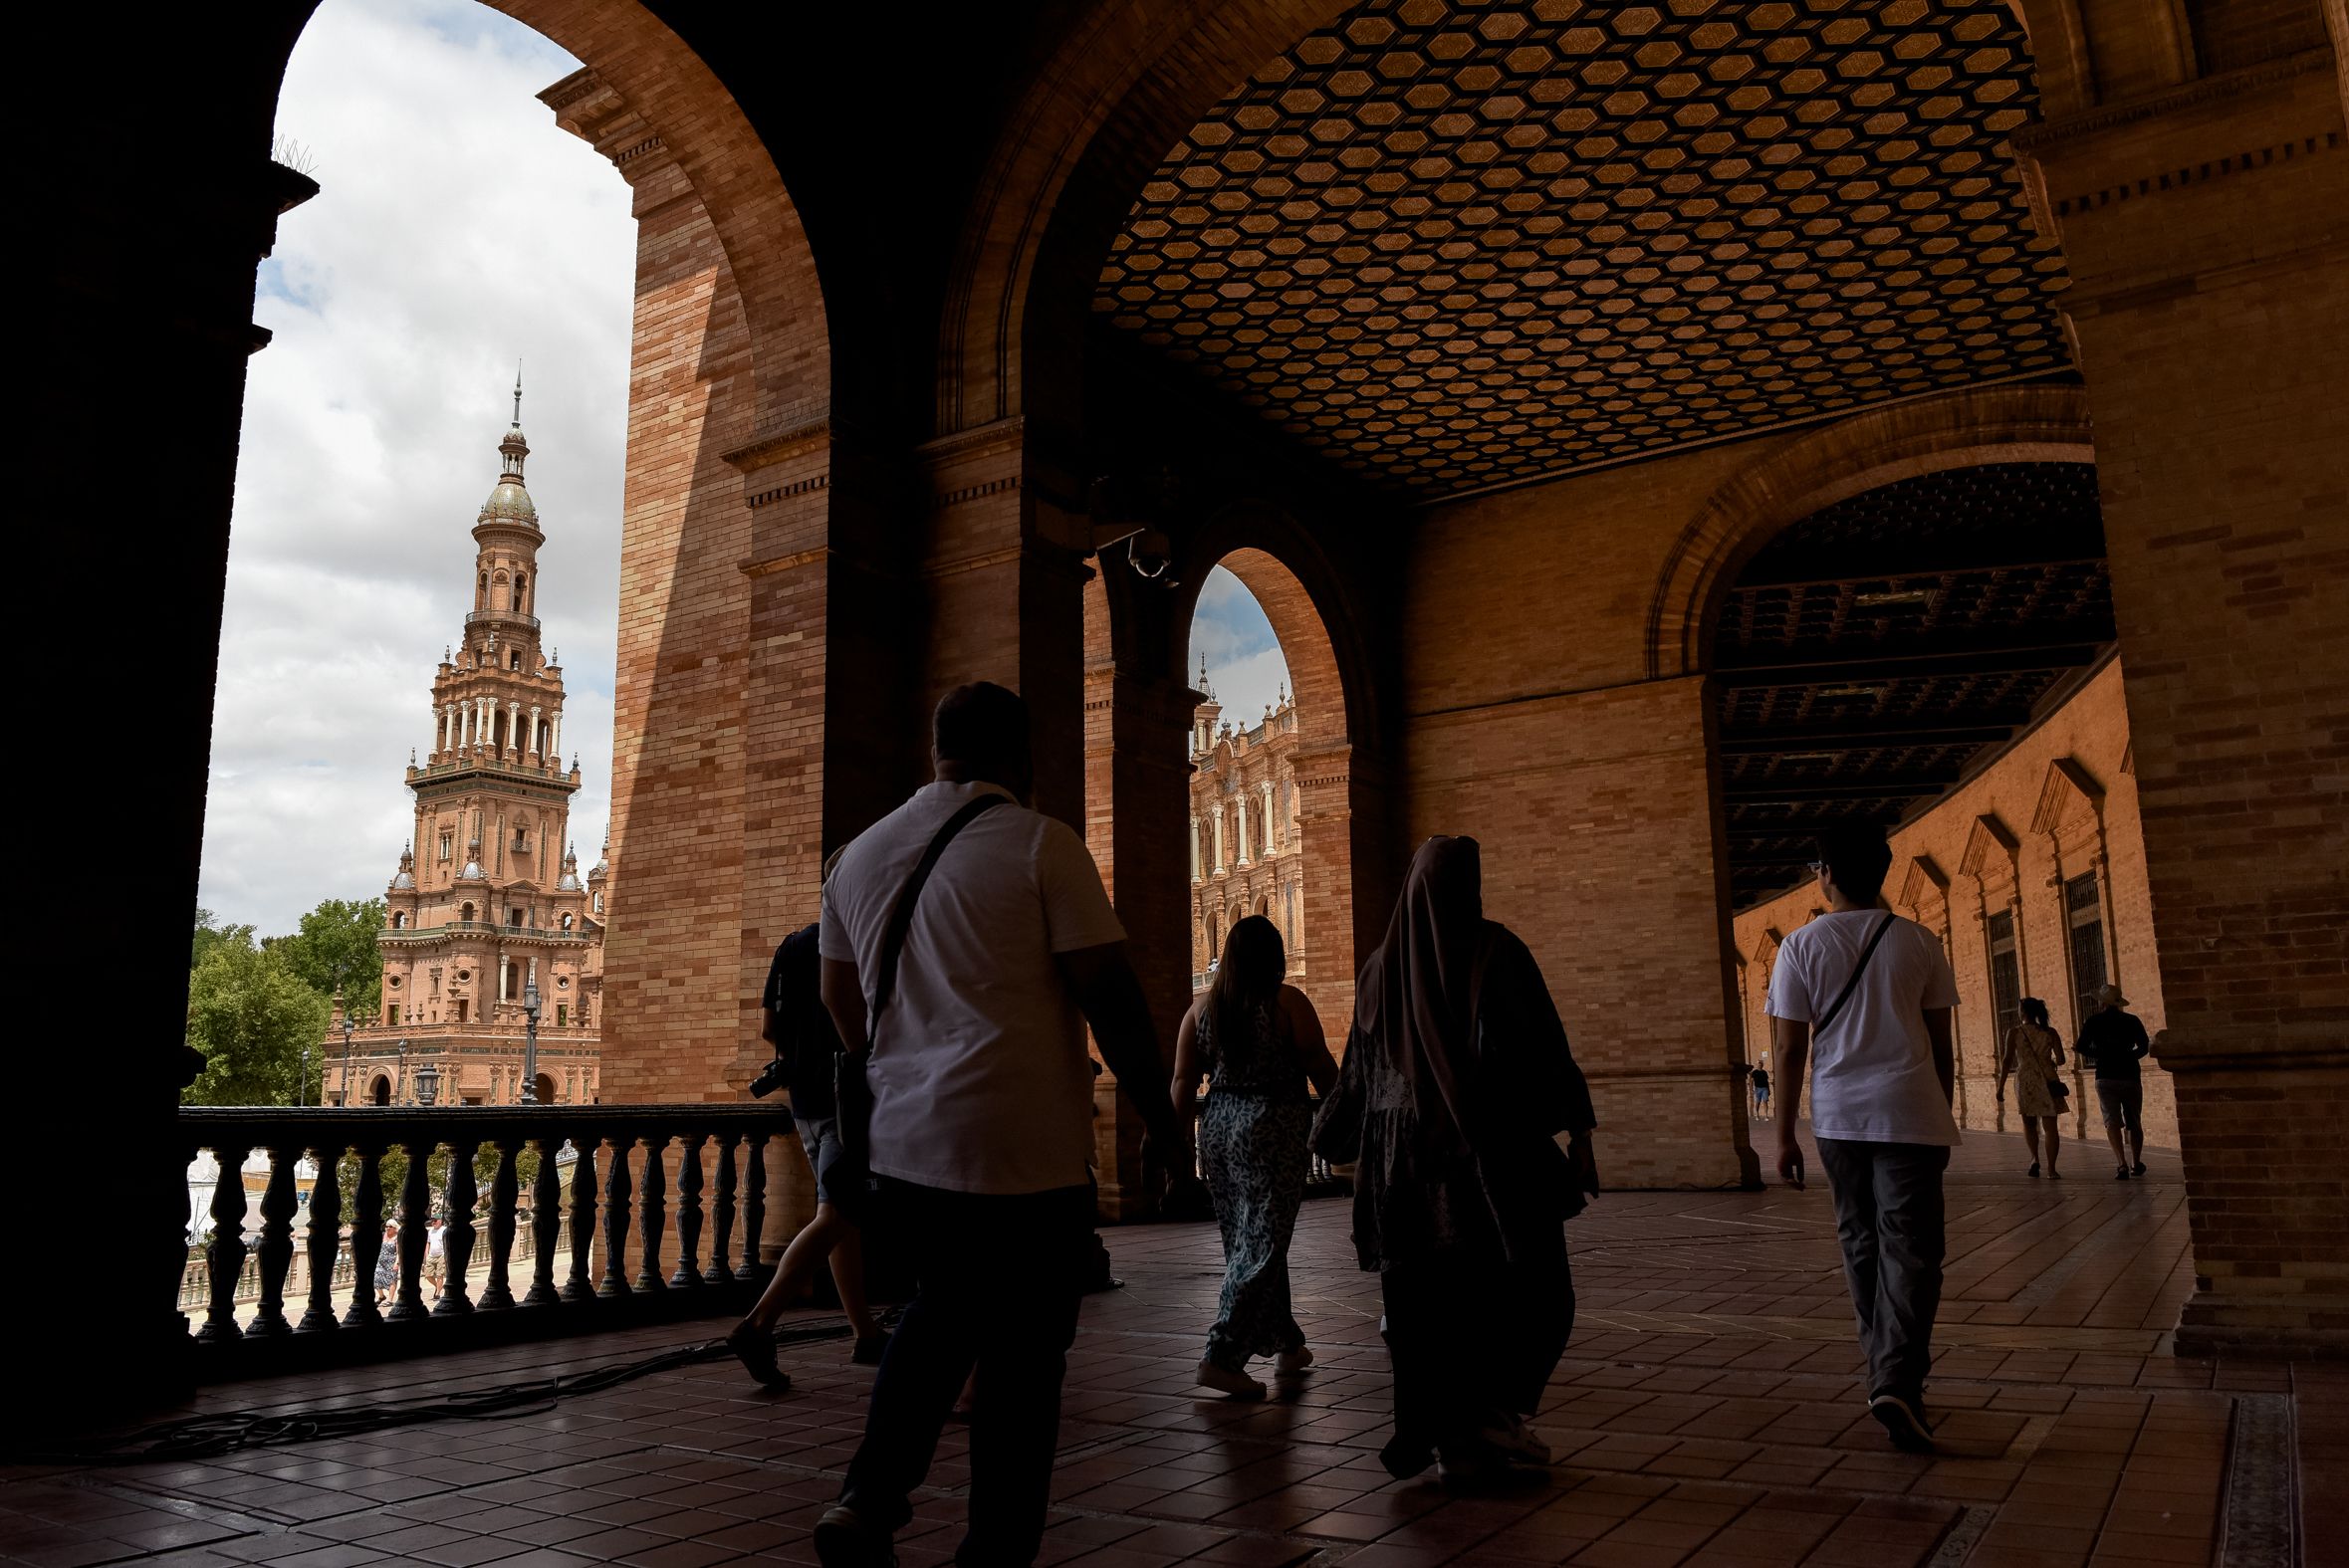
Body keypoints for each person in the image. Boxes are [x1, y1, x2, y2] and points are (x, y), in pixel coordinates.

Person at [810, 682, 1185, 1568]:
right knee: (1023, 1360)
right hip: (1026, 1153)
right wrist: (1163, 1124)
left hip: (905, 1150)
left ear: (936, 749)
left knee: (937, 1316)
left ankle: (867, 1498)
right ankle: (993, 1550)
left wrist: (910, 1057)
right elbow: (1113, 998)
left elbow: (839, 1001)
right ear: (1024, 757)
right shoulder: (1042, 845)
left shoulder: (856, 858)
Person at [1311, 836, 1597, 1489]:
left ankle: (1454, 1432)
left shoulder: (1382, 966)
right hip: (1488, 1160)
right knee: (1530, 1290)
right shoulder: (1498, 951)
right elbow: (1543, 1048)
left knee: (1427, 1307)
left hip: (1402, 1173)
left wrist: (1326, 1135)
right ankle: (1487, 1420)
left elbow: (1357, 1070)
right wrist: (1577, 1132)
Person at [1767, 822, 1959, 1454]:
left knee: (1859, 1240)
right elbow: (1940, 1046)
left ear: (1824, 873)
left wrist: (1784, 1133)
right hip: (1910, 1110)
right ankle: (1897, 1378)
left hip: (1838, 1116)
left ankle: (1885, 1371)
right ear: (1880, 872)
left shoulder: (1798, 947)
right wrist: (1940, 1106)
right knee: (1913, 1250)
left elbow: (1791, 1047)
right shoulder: (1922, 942)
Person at [1171, 914, 1338, 1399]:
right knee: (1261, 1245)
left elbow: (1183, 1081)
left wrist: (1167, 1140)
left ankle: (1286, 1342)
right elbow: (1321, 1067)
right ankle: (1220, 1356)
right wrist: (1350, 1118)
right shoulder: (1287, 1003)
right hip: (1274, 1129)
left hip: (1220, 1132)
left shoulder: (1201, 1011)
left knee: (1252, 1239)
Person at [727, 904, 888, 1390]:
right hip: (849, 1098)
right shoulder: (862, 942)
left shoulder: (791, 945)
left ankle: (864, 1333)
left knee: (840, 1213)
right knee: (837, 1214)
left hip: (805, 1097)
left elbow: (768, 1029)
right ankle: (759, 1324)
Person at [2075, 984, 2151, 1179]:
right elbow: (2144, 1046)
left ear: (2102, 1002)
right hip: (2130, 1075)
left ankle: (2121, 1164)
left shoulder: (2093, 1021)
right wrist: (2129, 1057)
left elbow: (2081, 1046)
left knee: (2111, 1121)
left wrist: (2101, 1055)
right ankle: (2136, 1161)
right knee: (2134, 1120)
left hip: (2105, 1075)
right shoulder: (2131, 1021)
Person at [1997, 998, 2066, 1179]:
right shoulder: (2050, 1032)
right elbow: (2061, 1059)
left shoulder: (2014, 1032)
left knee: (2029, 1124)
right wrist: (2049, 1062)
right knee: (2051, 1126)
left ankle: (2035, 1159)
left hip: (2026, 1079)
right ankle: (2052, 1169)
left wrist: (2000, 1087)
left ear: (2023, 1012)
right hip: (2048, 1078)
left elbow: (2006, 1061)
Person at [372, 1222, 399, 1308]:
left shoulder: (397, 1238)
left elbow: (399, 1252)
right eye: (386, 1226)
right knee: (376, 1279)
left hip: (391, 1262)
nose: (388, 1228)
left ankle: (390, 1300)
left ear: (395, 1228)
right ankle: (381, 1296)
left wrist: (397, 1263)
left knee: (392, 1280)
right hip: (380, 1262)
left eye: (390, 1226)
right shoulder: (383, 1235)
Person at [422, 1216, 446, 1304]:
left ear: (440, 1221)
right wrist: (426, 1255)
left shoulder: (444, 1230)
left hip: (442, 1255)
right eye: (432, 1221)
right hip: (431, 1256)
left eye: (435, 1221)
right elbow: (428, 1243)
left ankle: (438, 1294)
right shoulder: (430, 1231)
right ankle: (438, 1287)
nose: (433, 1223)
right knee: (428, 1275)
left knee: (440, 1275)